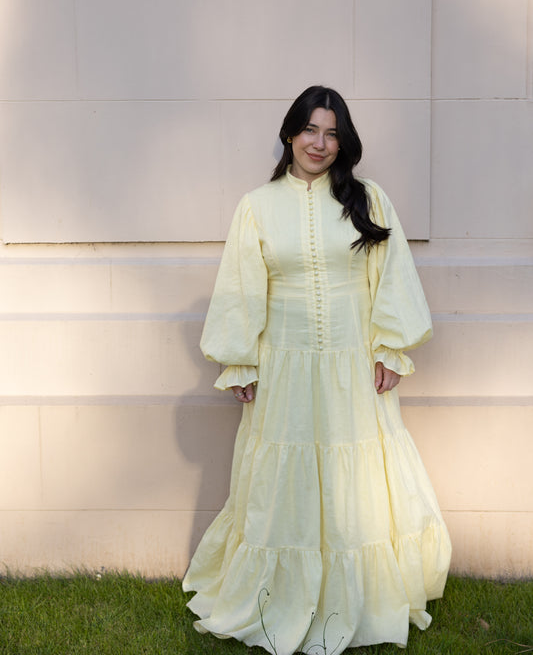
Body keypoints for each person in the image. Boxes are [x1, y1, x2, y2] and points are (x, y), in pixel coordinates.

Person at [183, 86, 451, 653]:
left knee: (357, 481)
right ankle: (276, 594)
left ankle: (358, 596)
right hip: (284, 369)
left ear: (342, 141)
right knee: (286, 481)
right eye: (310, 130)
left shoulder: (368, 199)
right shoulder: (257, 206)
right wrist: (240, 360)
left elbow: (392, 274)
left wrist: (390, 349)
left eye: (331, 133)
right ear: (289, 134)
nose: (320, 143)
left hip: (354, 368)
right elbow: (241, 287)